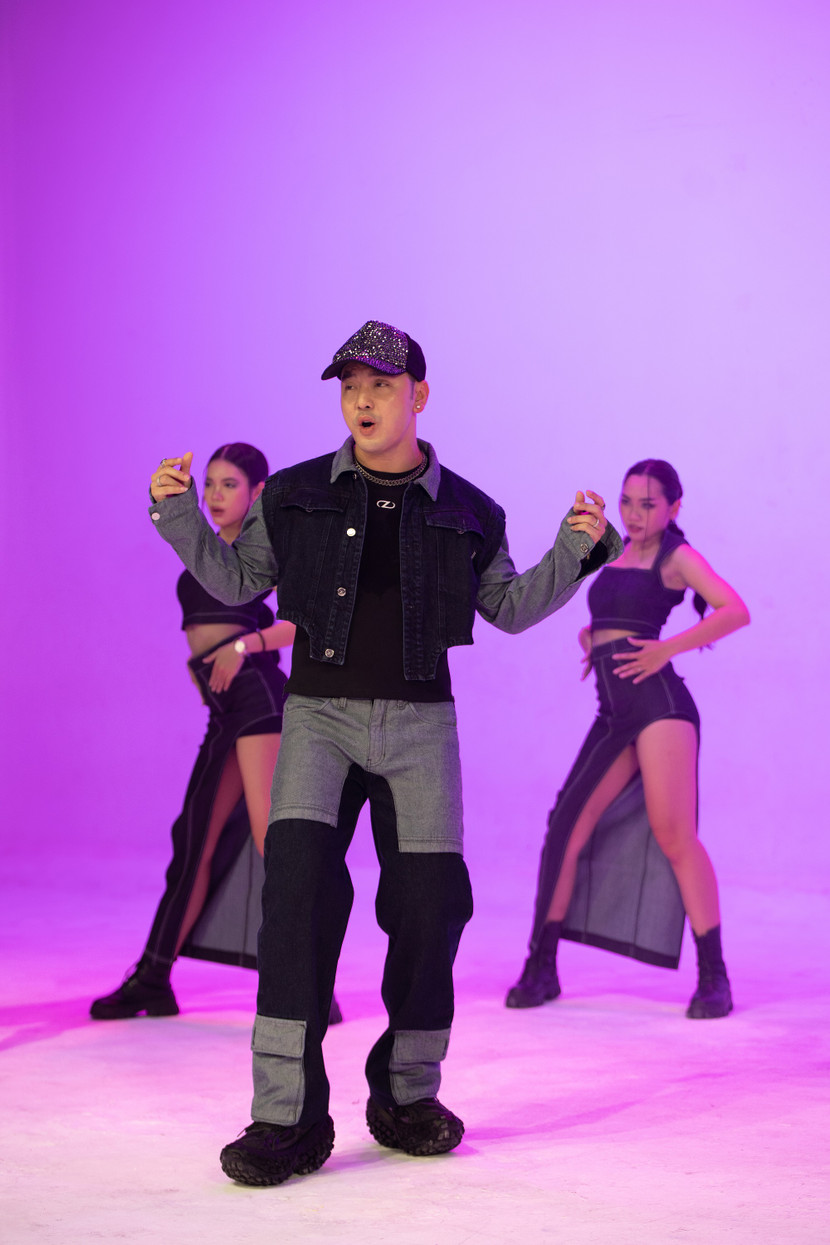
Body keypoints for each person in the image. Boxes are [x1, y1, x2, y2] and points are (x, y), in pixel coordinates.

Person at [147, 319, 623, 1187]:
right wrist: (177, 512)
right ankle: (285, 1115)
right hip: (317, 720)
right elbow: (239, 579)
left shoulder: (470, 510)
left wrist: (577, 548)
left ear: (419, 396)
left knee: (432, 905)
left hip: (420, 728)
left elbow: (510, 608)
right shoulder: (295, 493)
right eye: (349, 387)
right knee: (295, 895)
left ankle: (406, 1095)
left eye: (380, 385)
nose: (362, 401)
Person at [89, 443, 336, 1021]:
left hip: (259, 702)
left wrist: (244, 645)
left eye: (230, 485)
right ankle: (153, 978)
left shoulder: (268, 552)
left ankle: (308, 986)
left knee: (273, 842)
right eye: (210, 485)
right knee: (193, 840)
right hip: (226, 711)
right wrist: (201, 668)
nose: (216, 496)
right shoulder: (208, 554)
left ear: (257, 493)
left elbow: (307, 620)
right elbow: (204, 634)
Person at [506, 458, 750, 1020]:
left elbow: (735, 611)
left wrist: (667, 648)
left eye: (648, 505)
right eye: (626, 503)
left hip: (661, 710)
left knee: (675, 836)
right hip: (614, 712)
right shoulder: (614, 551)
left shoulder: (677, 557)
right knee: (564, 825)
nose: (635, 514)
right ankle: (542, 967)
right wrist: (594, 639)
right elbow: (615, 614)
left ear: (673, 507)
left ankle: (714, 977)